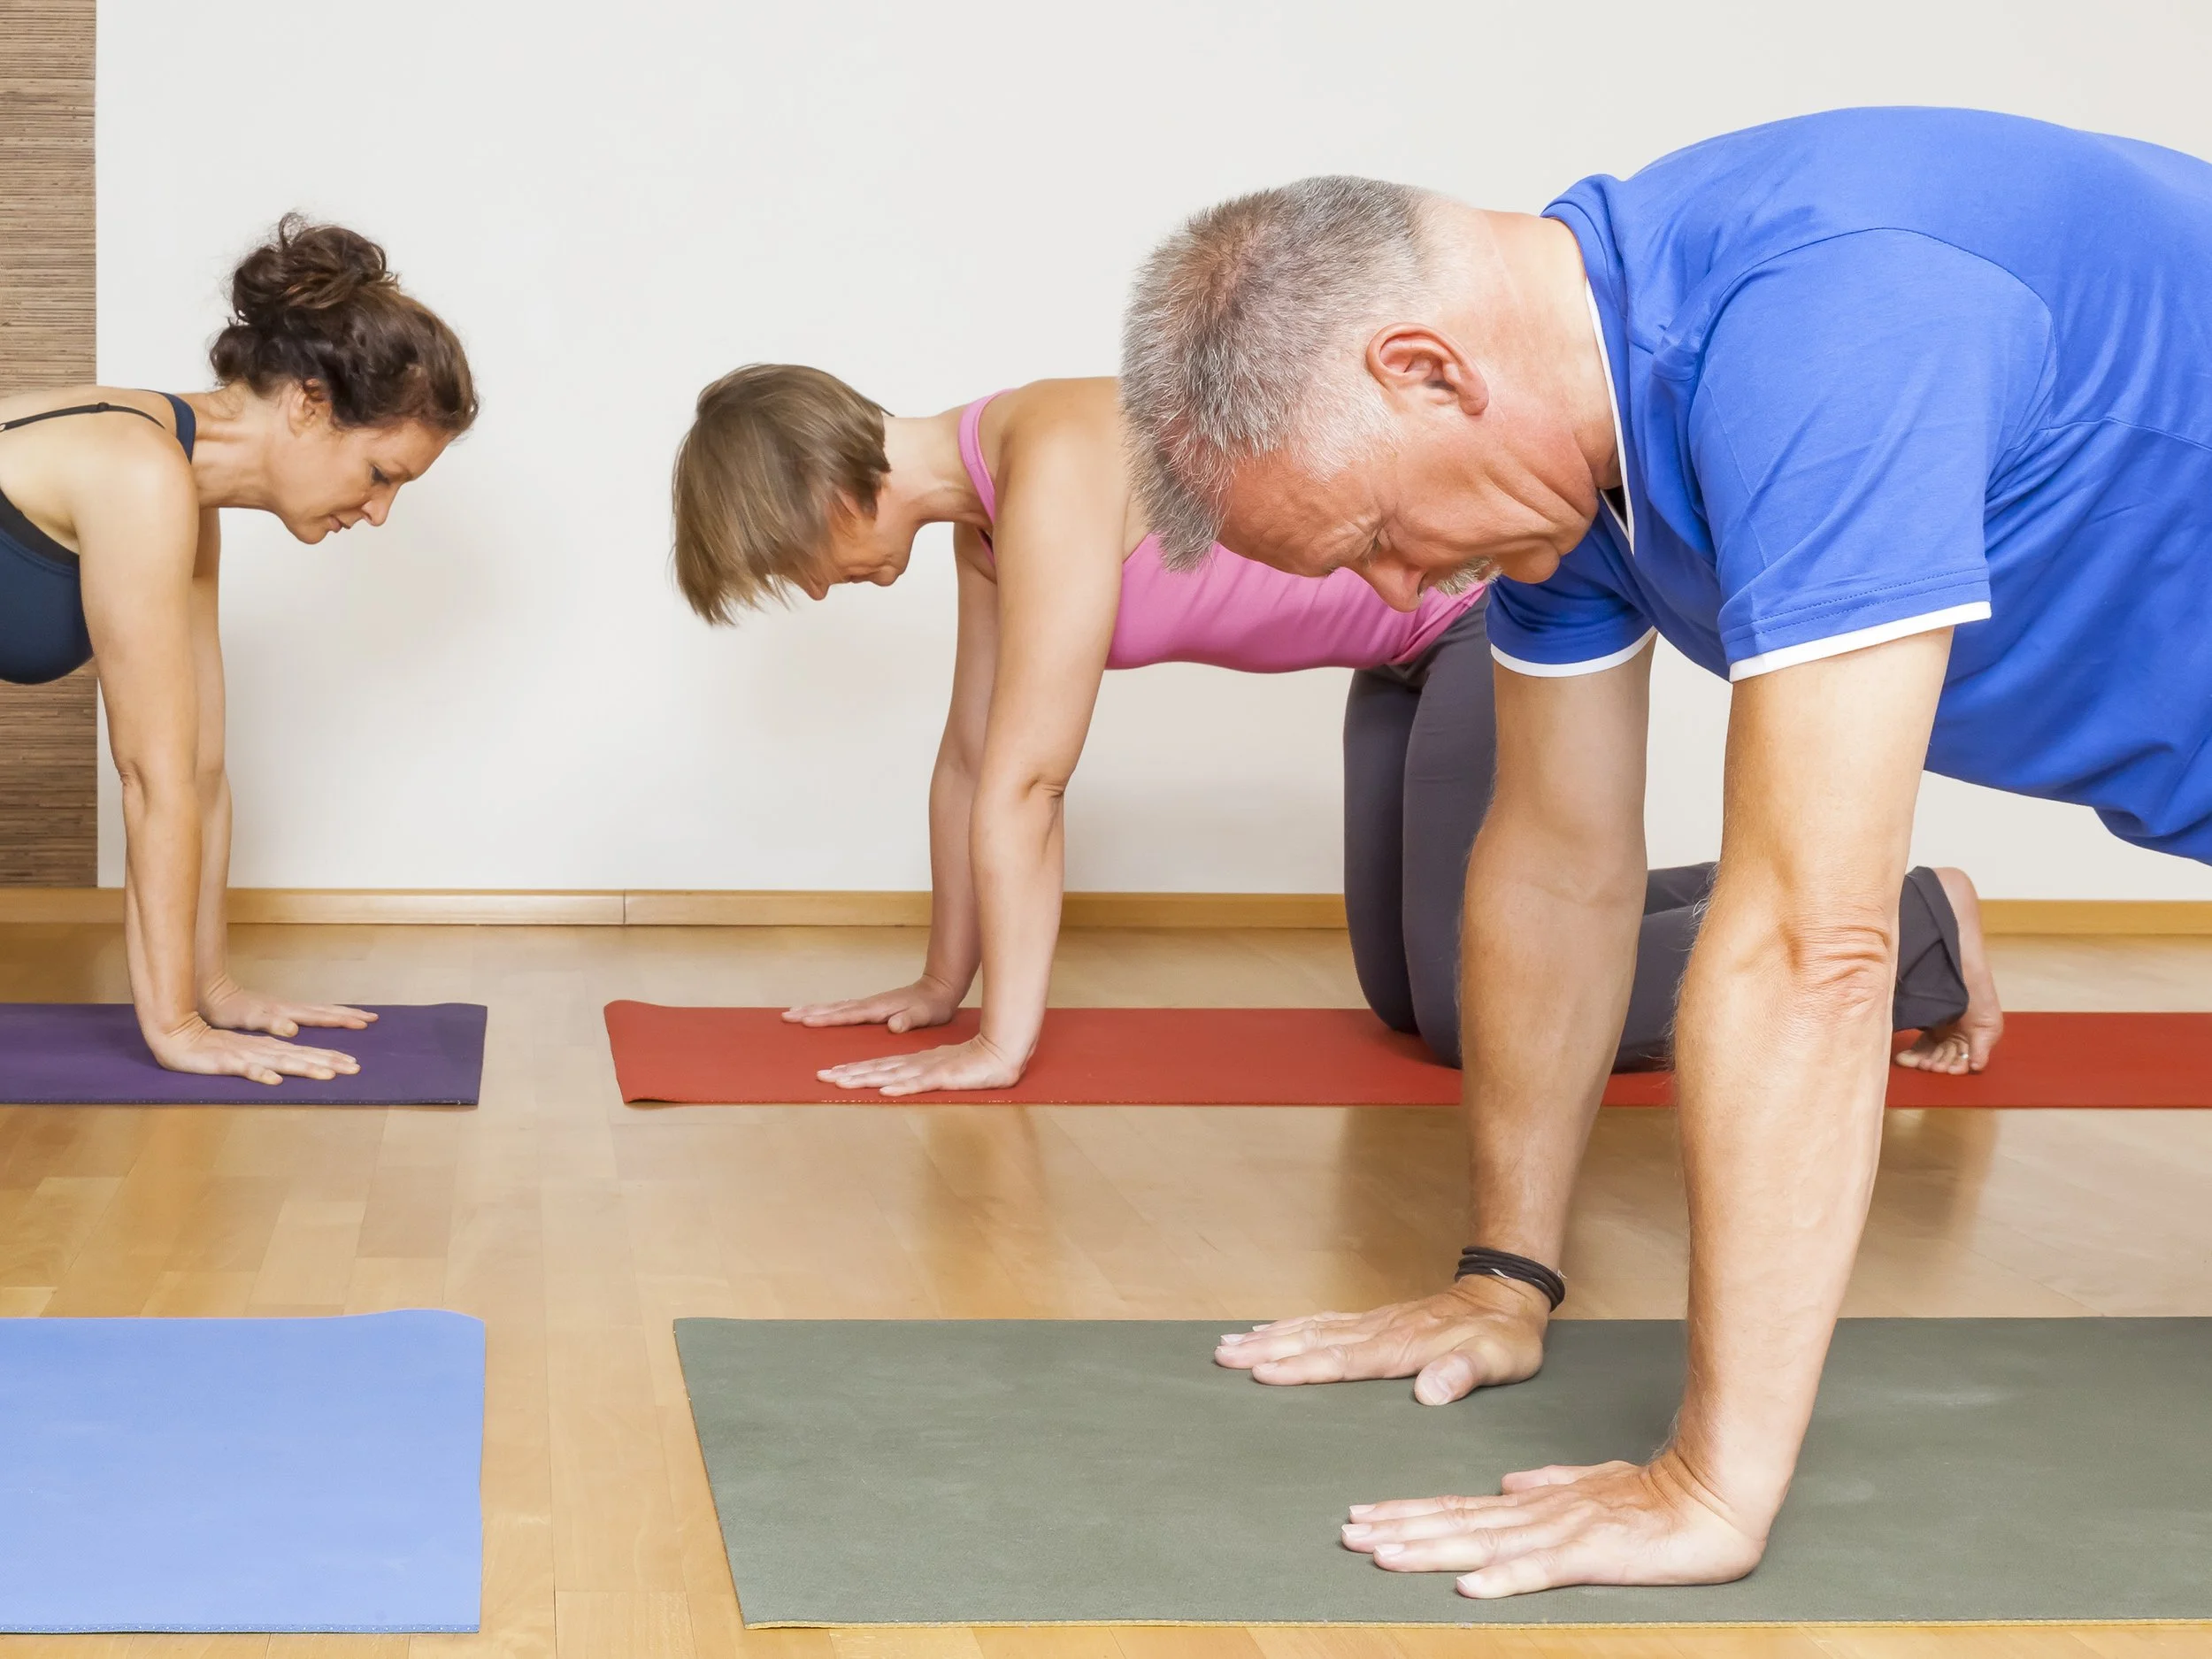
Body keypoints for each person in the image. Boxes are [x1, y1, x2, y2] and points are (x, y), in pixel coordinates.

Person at [1119, 107, 2209, 1598]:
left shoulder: (1828, 322)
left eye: (1374, 531)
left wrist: (1706, 1483)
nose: (1392, 590)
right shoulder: (1582, 455)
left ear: (1429, 370)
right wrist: (1503, 1280)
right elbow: (1557, 862)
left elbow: (1814, 948)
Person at [668, 366, 1998, 1094]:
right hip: (1396, 660)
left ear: (823, 493)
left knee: (1480, 1008)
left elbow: (1028, 777)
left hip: (1492, 619)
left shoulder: (1056, 456)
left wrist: (1003, 1043)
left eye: (785, 558)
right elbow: (969, 756)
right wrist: (938, 980)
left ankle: (1913, 931)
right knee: (1405, 992)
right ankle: (1875, 897)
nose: (805, 586)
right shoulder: (983, 518)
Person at [0, 216, 475, 1084]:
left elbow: (198, 768)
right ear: (308, 404)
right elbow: (148, 778)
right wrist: (173, 1027)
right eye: (380, 475)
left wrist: (211, 988)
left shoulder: (178, 480)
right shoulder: (139, 473)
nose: (378, 514)